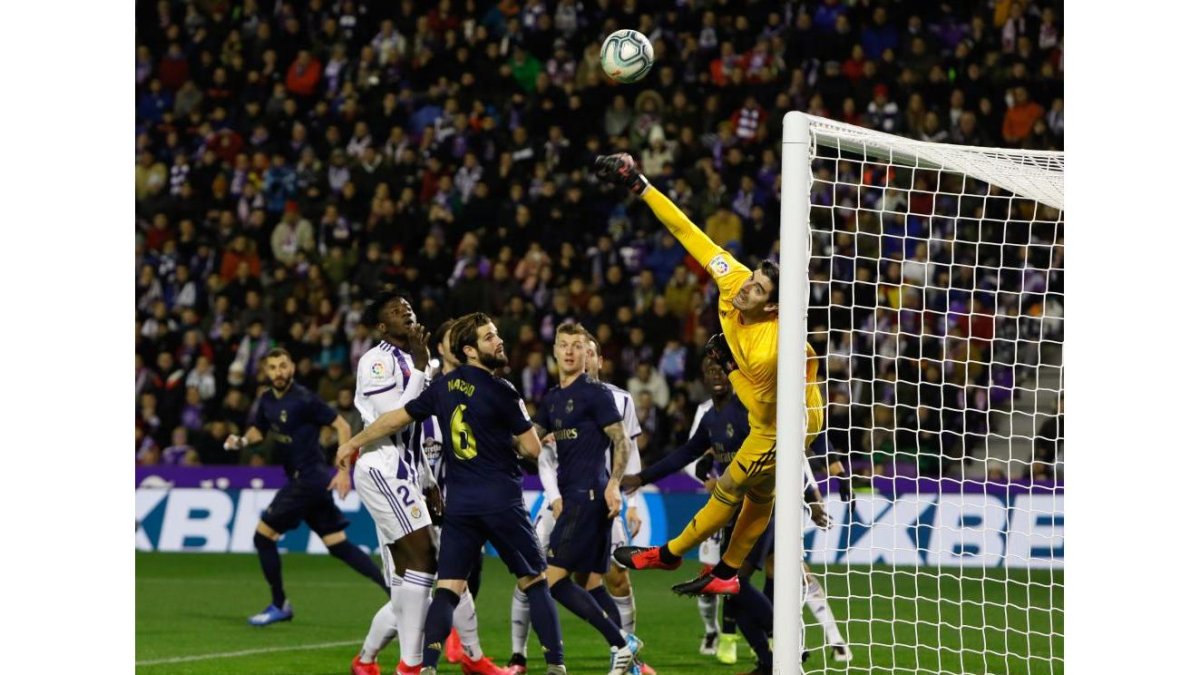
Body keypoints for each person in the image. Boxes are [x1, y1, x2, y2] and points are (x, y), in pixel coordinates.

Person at [596, 152, 824, 598]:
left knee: (735, 481)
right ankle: (727, 572)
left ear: (774, 306)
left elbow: (758, 400)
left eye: (757, 289)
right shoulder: (734, 279)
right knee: (760, 494)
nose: (745, 289)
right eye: (752, 278)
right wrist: (639, 184)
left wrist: (730, 367)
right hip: (767, 403)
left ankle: (670, 552)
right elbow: (687, 231)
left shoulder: (770, 346)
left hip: (790, 417)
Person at [336, 313, 567, 675]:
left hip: (460, 505)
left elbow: (395, 419)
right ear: (471, 350)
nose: (499, 341)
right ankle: (556, 664)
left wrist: (353, 442)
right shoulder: (503, 390)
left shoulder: (441, 388)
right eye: (490, 337)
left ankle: (427, 666)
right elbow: (533, 449)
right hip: (501, 500)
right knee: (535, 580)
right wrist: (512, 441)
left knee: (447, 589)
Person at [347, 294, 508, 675]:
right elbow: (396, 418)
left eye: (407, 305)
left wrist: (429, 480)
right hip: (383, 470)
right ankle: (410, 665)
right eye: (394, 309)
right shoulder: (377, 361)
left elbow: (419, 435)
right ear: (382, 327)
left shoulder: (420, 365)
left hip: (411, 476)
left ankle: (463, 657)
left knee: (439, 575)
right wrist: (422, 369)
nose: (405, 310)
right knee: (426, 565)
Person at [510, 329, 654, 675]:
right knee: (589, 583)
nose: (571, 352)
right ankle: (625, 647)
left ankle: (622, 643)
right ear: (555, 353)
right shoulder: (553, 398)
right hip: (577, 496)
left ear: (587, 354)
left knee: (553, 580)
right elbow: (530, 445)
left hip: (586, 497)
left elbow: (621, 442)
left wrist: (615, 485)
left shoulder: (595, 393)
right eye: (564, 346)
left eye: (578, 346)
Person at [224, 347, 388, 626]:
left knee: (263, 537)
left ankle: (279, 604)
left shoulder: (304, 399)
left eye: (283, 366)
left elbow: (343, 427)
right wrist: (240, 441)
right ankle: (395, 590)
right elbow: (258, 432)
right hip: (307, 482)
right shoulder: (266, 400)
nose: (278, 372)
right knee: (337, 544)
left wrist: (344, 471)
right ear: (265, 372)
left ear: (292, 369)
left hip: (308, 479)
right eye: (273, 367)